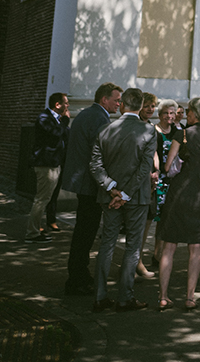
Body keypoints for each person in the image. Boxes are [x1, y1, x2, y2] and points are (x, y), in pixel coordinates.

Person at [89, 87, 157, 312]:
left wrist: (111, 188)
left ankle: (100, 296)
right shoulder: (148, 130)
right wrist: (126, 194)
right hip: (136, 198)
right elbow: (144, 168)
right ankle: (125, 297)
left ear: (123, 105)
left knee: (107, 244)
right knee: (132, 247)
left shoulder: (105, 128)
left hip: (109, 196)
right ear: (139, 107)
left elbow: (95, 165)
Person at [156, 96, 200, 311]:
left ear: (196, 113)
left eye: (190, 111)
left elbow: (167, 167)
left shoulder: (181, 133)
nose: (188, 114)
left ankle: (163, 296)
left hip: (179, 193)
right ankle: (190, 297)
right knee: (196, 248)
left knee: (169, 246)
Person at [61, 82, 121, 295]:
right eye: (116, 100)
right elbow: (100, 154)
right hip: (90, 184)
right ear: (104, 99)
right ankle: (77, 278)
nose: (119, 104)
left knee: (83, 231)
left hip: (83, 181)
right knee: (86, 232)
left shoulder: (86, 114)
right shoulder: (99, 118)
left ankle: (78, 274)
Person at [26, 92, 69, 243]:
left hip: (54, 163)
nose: (68, 106)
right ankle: (32, 233)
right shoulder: (44, 118)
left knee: (46, 198)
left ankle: (37, 228)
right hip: (45, 164)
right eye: (66, 103)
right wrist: (66, 121)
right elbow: (56, 134)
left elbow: (64, 136)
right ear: (57, 105)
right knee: (41, 199)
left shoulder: (57, 120)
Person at [149, 98, 181, 268]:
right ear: (159, 114)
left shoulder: (177, 131)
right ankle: (137, 258)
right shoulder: (153, 131)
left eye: (172, 113)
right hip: (156, 179)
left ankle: (157, 253)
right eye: (165, 113)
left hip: (172, 180)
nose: (169, 116)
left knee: (165, 219)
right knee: (150, 216)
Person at [134, 92, 160, 280]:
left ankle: (138, 260)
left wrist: (156, 170)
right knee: (136, 224)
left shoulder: (152, 127)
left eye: (153, 106)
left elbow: (154, 153)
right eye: (147, 106)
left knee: (147, 222)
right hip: (137, 181)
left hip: (150, 181)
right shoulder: (136, 126)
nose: (151, 109)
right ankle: (133, 263)